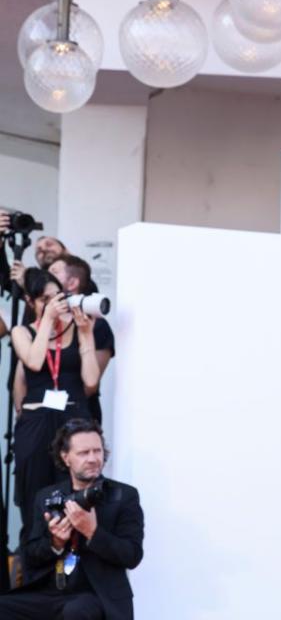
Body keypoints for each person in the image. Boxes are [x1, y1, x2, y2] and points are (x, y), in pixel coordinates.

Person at [0, 418, 144, 619]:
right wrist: (55, 542)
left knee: (76, 611)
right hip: (49, 592)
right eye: (84, 453)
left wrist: (92, 532)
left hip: (97, 595)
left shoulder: (123, 495)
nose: (93, 458)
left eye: (97, 450)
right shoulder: (46, 496)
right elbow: (30, 554)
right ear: (65, 457)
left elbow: (132, 555)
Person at [10, 269, 104, 545]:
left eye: (56, 297)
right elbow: (35, 361)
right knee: (35, 496)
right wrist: (47, 320)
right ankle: (34, 568)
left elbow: (90, 380)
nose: (53, 304)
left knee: (77, 495)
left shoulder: (78, 327)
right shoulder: (21, 331)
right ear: (31, 302)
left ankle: (73, 569)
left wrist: (86, 334)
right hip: (37, 421)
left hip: (74, 419)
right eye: (44, 299)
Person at [49, 255, 113, 423]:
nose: (46, 277)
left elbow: (91, 384)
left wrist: (64, 405)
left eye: (54, 272)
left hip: (79, 416)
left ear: (72, 283)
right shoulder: (44, 321)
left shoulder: (97, 325)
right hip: (41, 416)